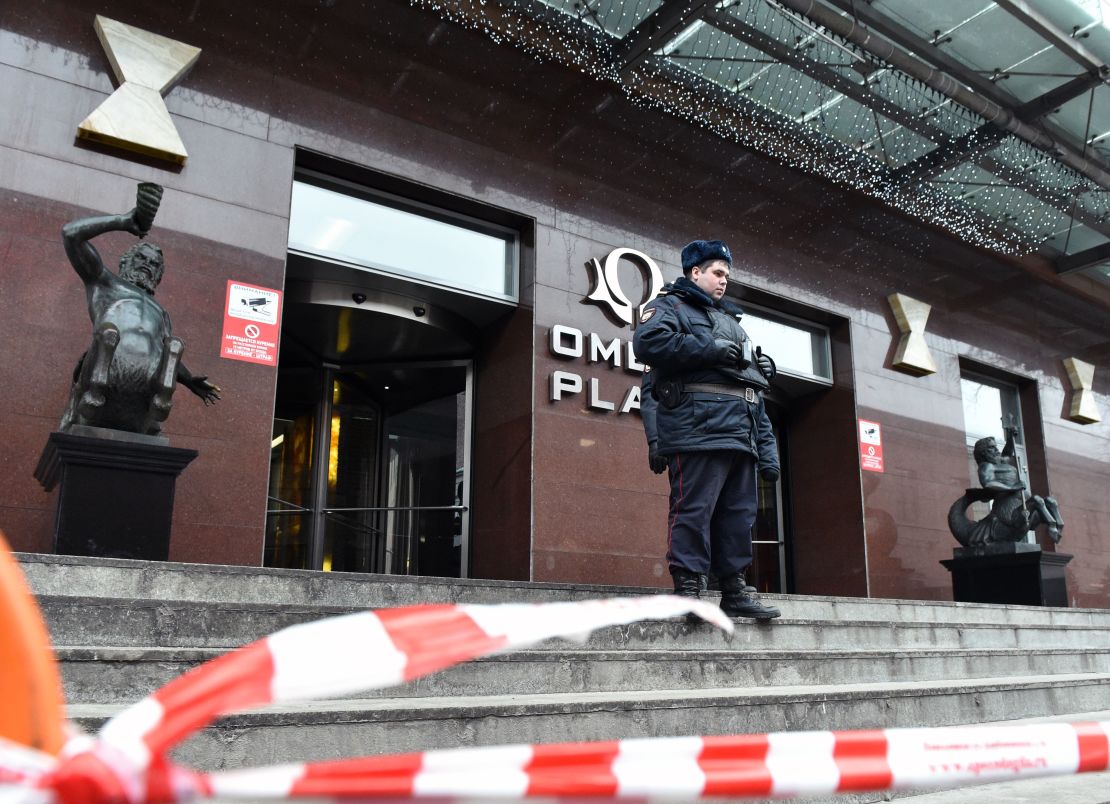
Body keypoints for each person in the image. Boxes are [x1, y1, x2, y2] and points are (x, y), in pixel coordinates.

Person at [635, 239, 781, 620]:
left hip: (739, 434)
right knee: (693, 511)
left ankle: (733, 591)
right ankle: (689, 593)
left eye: (728, 275)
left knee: (738, 517)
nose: (724, 281)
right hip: (697, 429)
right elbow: (648, 342)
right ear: (694, 272)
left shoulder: (733, 323)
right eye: (717, 272)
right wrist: (710, 347)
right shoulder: (669, 306)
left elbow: (752, 396)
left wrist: (769, 451)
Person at [59, 183, 219, 435]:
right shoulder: (103, 282)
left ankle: (161, 399)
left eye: (154, 264)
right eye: (142, 259)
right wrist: (123, 221)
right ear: (126, 262)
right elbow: (70, 234)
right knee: (109, 333)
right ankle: (97, 388)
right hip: (108, 363)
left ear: (158, 275)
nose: (148, 265)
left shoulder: (161, 312)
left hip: (146, 378)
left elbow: (163, 349)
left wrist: (188, 380)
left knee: (173, 344)